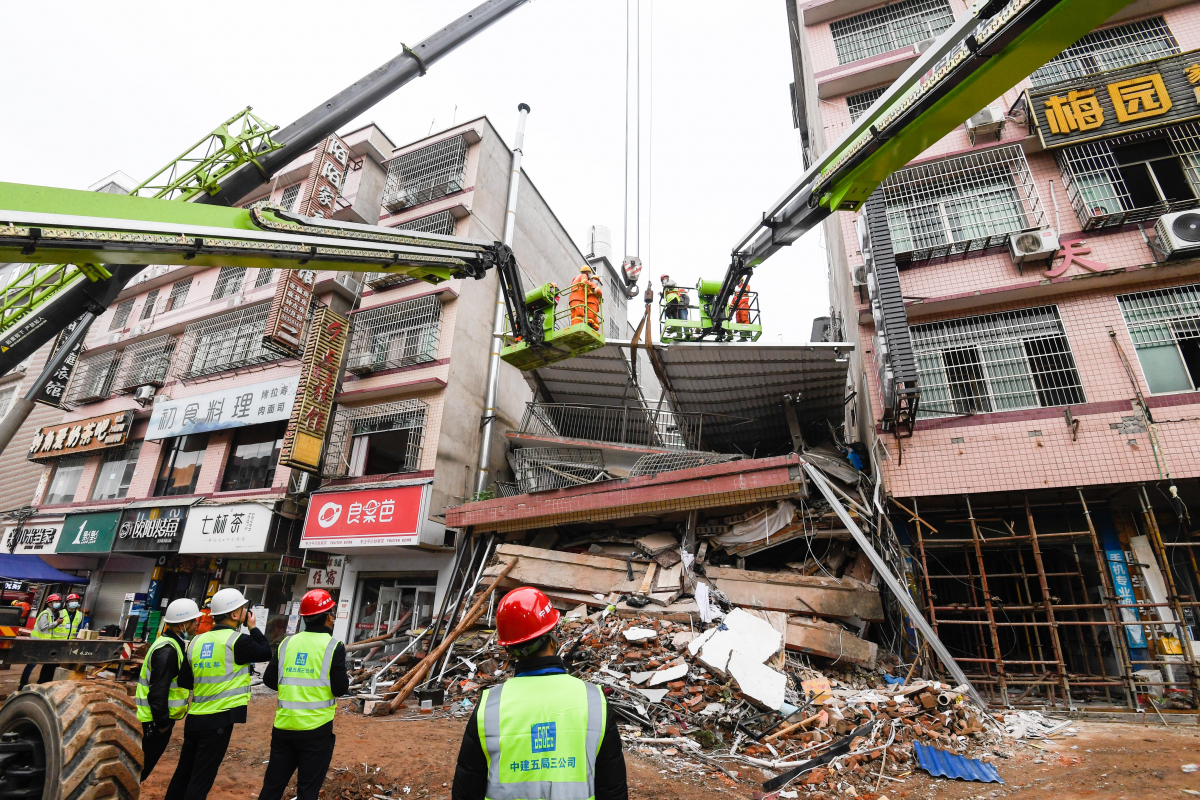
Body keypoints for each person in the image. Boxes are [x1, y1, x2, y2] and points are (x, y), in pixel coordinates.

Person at [451, 587, 628, 800]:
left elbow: (466, 790)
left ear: (509, 649)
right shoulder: (593, 701)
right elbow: (612, 790)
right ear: (553, 637)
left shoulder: (490, 706)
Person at [164, 588, 271, 800]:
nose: (245, 612)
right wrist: (253, 627)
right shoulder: (237, 641)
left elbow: (185, 681)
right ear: (234, 615)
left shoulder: (196, 642)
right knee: (201, 778)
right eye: (242, 609)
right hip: (219, 721)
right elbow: (266, 651)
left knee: (183, 773)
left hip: (195, 718)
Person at [256, 589, 349, 800]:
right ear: (327, 616)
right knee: (308, 790)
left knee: (272, 787)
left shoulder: (287, 643)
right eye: (332, 613)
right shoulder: (334, 647)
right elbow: (340, 688)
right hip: (316, 729)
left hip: (284, 726)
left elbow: (270, 679)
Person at [138, 598, 201, 781]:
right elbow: (158, 690)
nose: (197, 624)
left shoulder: (172, 644)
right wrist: (163, 723)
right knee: (140, 770)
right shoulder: (168, 650)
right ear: (182, 624)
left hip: (153, 720)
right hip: (154, 722)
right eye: (194, 621)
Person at [20, 593, 66, 689]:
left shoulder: (51, 614)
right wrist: (56, 623)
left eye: (58, 602)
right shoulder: (45, 614)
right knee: (31, 664)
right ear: (49, 603)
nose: (57, 603)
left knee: (36, 664)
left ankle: (37, 683)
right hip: (37, 643)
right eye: (55, 602)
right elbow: (43, 628)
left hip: (43, 643)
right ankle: (22, 685)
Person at [568, 264, 603, 331]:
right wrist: (592, 286)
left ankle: (573, 328)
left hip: (572, 299)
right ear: (587, 272)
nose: (589, 275)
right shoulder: (584, 276)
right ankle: (578, 329)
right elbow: (584, 282)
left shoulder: (575, 278)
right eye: (589, 273)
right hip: (579, 298)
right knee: (579, 314)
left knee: (574, 316)